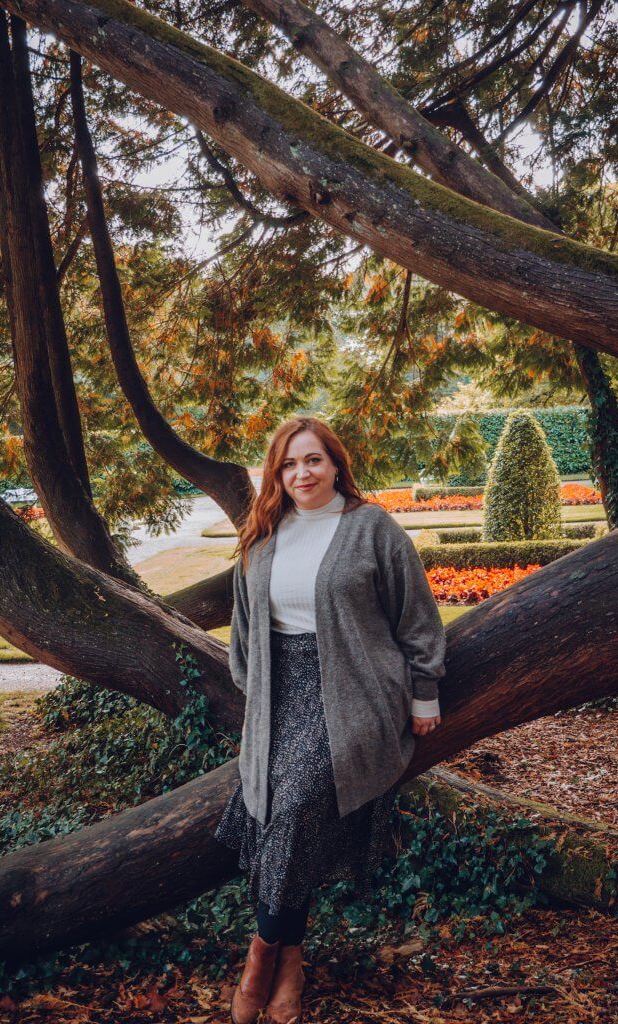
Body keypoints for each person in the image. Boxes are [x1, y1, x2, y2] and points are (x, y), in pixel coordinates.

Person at [214, 415, 447, 1024]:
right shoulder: (263, 534)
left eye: (312, 460)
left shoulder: (372, 529)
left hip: (354, 693)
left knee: (291, 807)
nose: (301, 474)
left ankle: (261, 955)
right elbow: (243, 631)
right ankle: (290, 964)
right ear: (276, 474)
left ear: (336, 464)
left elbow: (417, 617)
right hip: (277, 696)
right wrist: (257, 699)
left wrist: (423, 694)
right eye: (288, 465)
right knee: (279, 806)